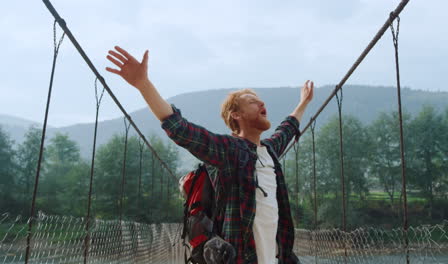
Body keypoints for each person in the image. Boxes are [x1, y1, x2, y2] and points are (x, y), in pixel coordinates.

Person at [106, 46, 314, 264]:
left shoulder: (269, 152)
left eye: (260, 100)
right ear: (236, 115)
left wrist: (303, 102)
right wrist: (144, 85)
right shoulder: (228, 151)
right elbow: (181, 129)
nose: (262, 103)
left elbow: (288, 128)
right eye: (252, 101)